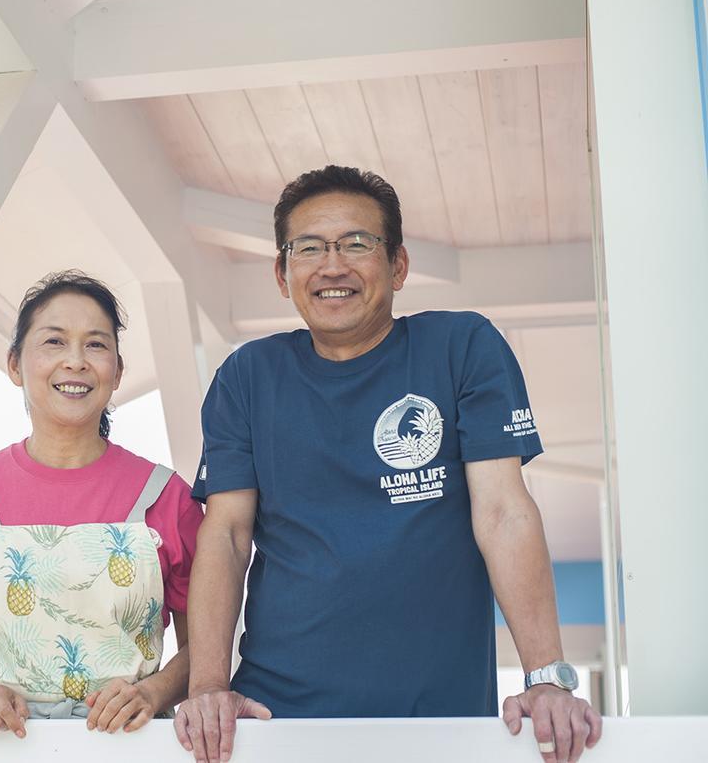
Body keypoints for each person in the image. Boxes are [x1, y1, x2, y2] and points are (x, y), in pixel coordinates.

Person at [176, 166, 603, 763]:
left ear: (398, 265)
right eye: (309, 248)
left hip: (441, 725)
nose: (332, 266)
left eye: (357, 244)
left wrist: (547, 677)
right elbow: (225, 534)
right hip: (275, 721)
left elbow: (504, 510)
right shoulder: (246, 377)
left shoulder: (462, 348)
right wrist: (208, 689)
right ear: (282, 272)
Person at [0, 271, 203, 738]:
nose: (75, 361)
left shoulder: (165, 495)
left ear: (117, 372)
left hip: (133, 748)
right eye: (54, 342)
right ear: (15, 364)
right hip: (1, 748)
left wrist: (153, 693)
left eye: (95, 345)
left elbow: (205, 645)